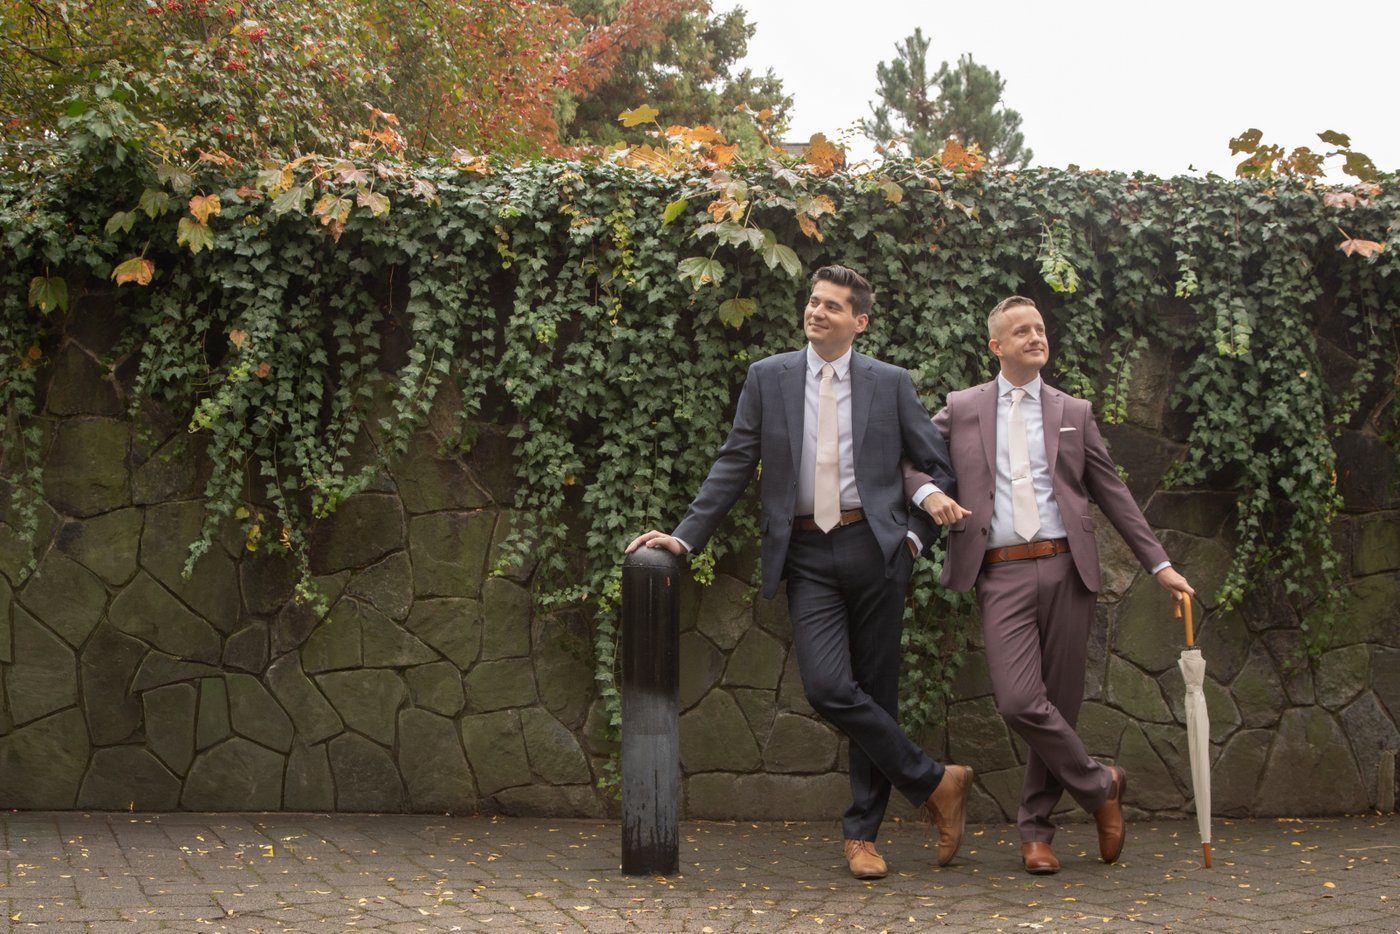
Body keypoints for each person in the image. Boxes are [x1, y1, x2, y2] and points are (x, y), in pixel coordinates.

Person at [625, 265, 973, 880]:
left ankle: (862, 836)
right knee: (829, 688)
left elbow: (936, 465)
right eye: (813, 302)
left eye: (832, 306)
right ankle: (935, 781)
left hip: (877, 549)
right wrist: (684, 536)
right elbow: (735, 461)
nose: (817, 312)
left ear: (858, 321)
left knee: (878, 690)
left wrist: (915, 539)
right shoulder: (769, 377)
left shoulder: (889, 383)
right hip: (807, 555)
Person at [904, 295, 1194, 876]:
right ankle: (1099, 786)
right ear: (996, 347)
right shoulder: (962, 409)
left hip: (1068, 568)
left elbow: (1113, 494)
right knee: (1019, 701)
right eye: (1021, 331)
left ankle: (1036, 831)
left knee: (1058, 704)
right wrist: (927, 493)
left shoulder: (1073, 411)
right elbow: (907, 459)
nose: (1036, 337)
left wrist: (1159, 565)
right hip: (1000, 570)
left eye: (1039, 329)